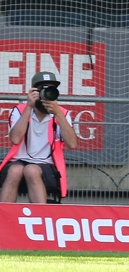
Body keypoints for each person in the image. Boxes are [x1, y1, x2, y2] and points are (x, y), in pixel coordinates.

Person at [0, 72, 77, 203]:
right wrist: (29, 107)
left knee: (32, 170)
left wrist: (58, 114)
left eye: (51, 89)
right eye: (43, 89)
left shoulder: (62, 113)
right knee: (15, 170)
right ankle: (4, 218)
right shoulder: (20, 110)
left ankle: (40, 217)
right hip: (19, 160)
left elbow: (72, 144)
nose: (46, 94)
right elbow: (15, 139)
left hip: (47, 165)